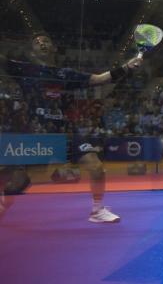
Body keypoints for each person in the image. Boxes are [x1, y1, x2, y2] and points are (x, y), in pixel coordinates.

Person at [0, 32, 143, 222]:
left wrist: (127, 66)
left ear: (54, 48)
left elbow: (100, 79)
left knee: (96, 166)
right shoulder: (24, 69)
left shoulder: (66, 74)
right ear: (32, 51)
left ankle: (97, 210)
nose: (41, 43)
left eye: (46, 40)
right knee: (17, 182)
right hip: (34, 133)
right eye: (37, 42)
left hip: (63, 133)